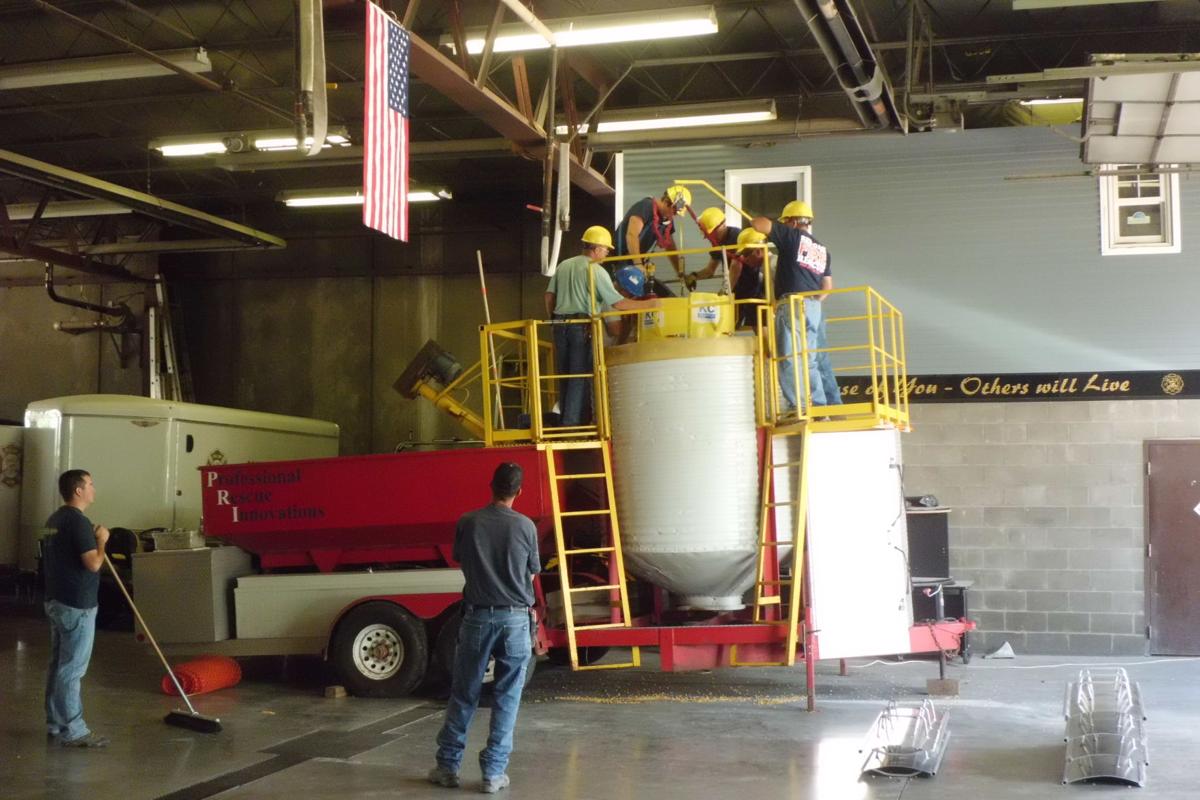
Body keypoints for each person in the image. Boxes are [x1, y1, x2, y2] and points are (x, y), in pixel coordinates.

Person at [429, 462, 541, 794]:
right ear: (519, 492)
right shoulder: (526, 527)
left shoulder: (469, 522)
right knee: (508, 697)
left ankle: (447, 767)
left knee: (464, 694)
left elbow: (463, 560)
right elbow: (532, 574)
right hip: (516, 620)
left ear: (490, 486)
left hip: (477, 617)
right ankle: (493, 773)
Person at [544, 226, 659, 426]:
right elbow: (618, 303)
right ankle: (572, 425)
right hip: (582, 326)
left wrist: (554, 320)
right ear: (596, 248)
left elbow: (548, 296)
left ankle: (566, 419)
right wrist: (651, 304)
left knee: (565, 374)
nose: (607, 253)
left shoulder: (563, 265)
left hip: (560, 324)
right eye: (606, 249)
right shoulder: (596, 270)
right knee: (580, 375)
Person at [752, 201, 842, 412]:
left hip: (792, 303)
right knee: (808, 360)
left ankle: (798, 407)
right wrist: (813, 303)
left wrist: (758, 221)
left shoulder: (792, 237)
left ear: (792, 221)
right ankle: (819, 408)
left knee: (789, 359)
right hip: (813, 307)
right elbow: (827, 286)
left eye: (785, 222)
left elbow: (759, 224)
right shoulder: (822, 249)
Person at [43, 469, 110, 748]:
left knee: (59, 665)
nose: (94, 488)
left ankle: (56, 723)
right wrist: (102, 540)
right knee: (72, 669)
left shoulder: (54, 519)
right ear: (79, 491)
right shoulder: (79, 523)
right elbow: (93, 563)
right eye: (91, 484)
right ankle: (74, 730)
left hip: (56, 600)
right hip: (77, 604)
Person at [613, 185, 692, 294]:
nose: (674, 216)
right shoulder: (646, 206)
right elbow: (632, 235)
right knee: (633, 292)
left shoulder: (666, 220)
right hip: (618, 260)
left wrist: (681, 274)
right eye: (674, 212)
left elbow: (670, 247)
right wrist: (638, 264)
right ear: (668, 202)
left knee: (665, 295)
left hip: (634, 265)